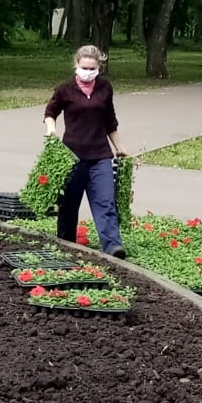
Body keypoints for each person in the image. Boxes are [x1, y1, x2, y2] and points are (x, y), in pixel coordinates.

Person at [43, 44, 128, 259]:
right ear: (76, 65)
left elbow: (110, 120)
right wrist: (51, 130)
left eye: (92, 68)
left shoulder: (105, 88)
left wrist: (119, 147)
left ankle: (112, 247)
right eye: (84, 67)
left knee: (105, 202)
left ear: (99, 66)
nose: (88, 72)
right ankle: (66, 244)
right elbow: (50, 111)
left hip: (100, 155)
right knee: (69, 205)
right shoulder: (65, 89)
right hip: (72, 156)